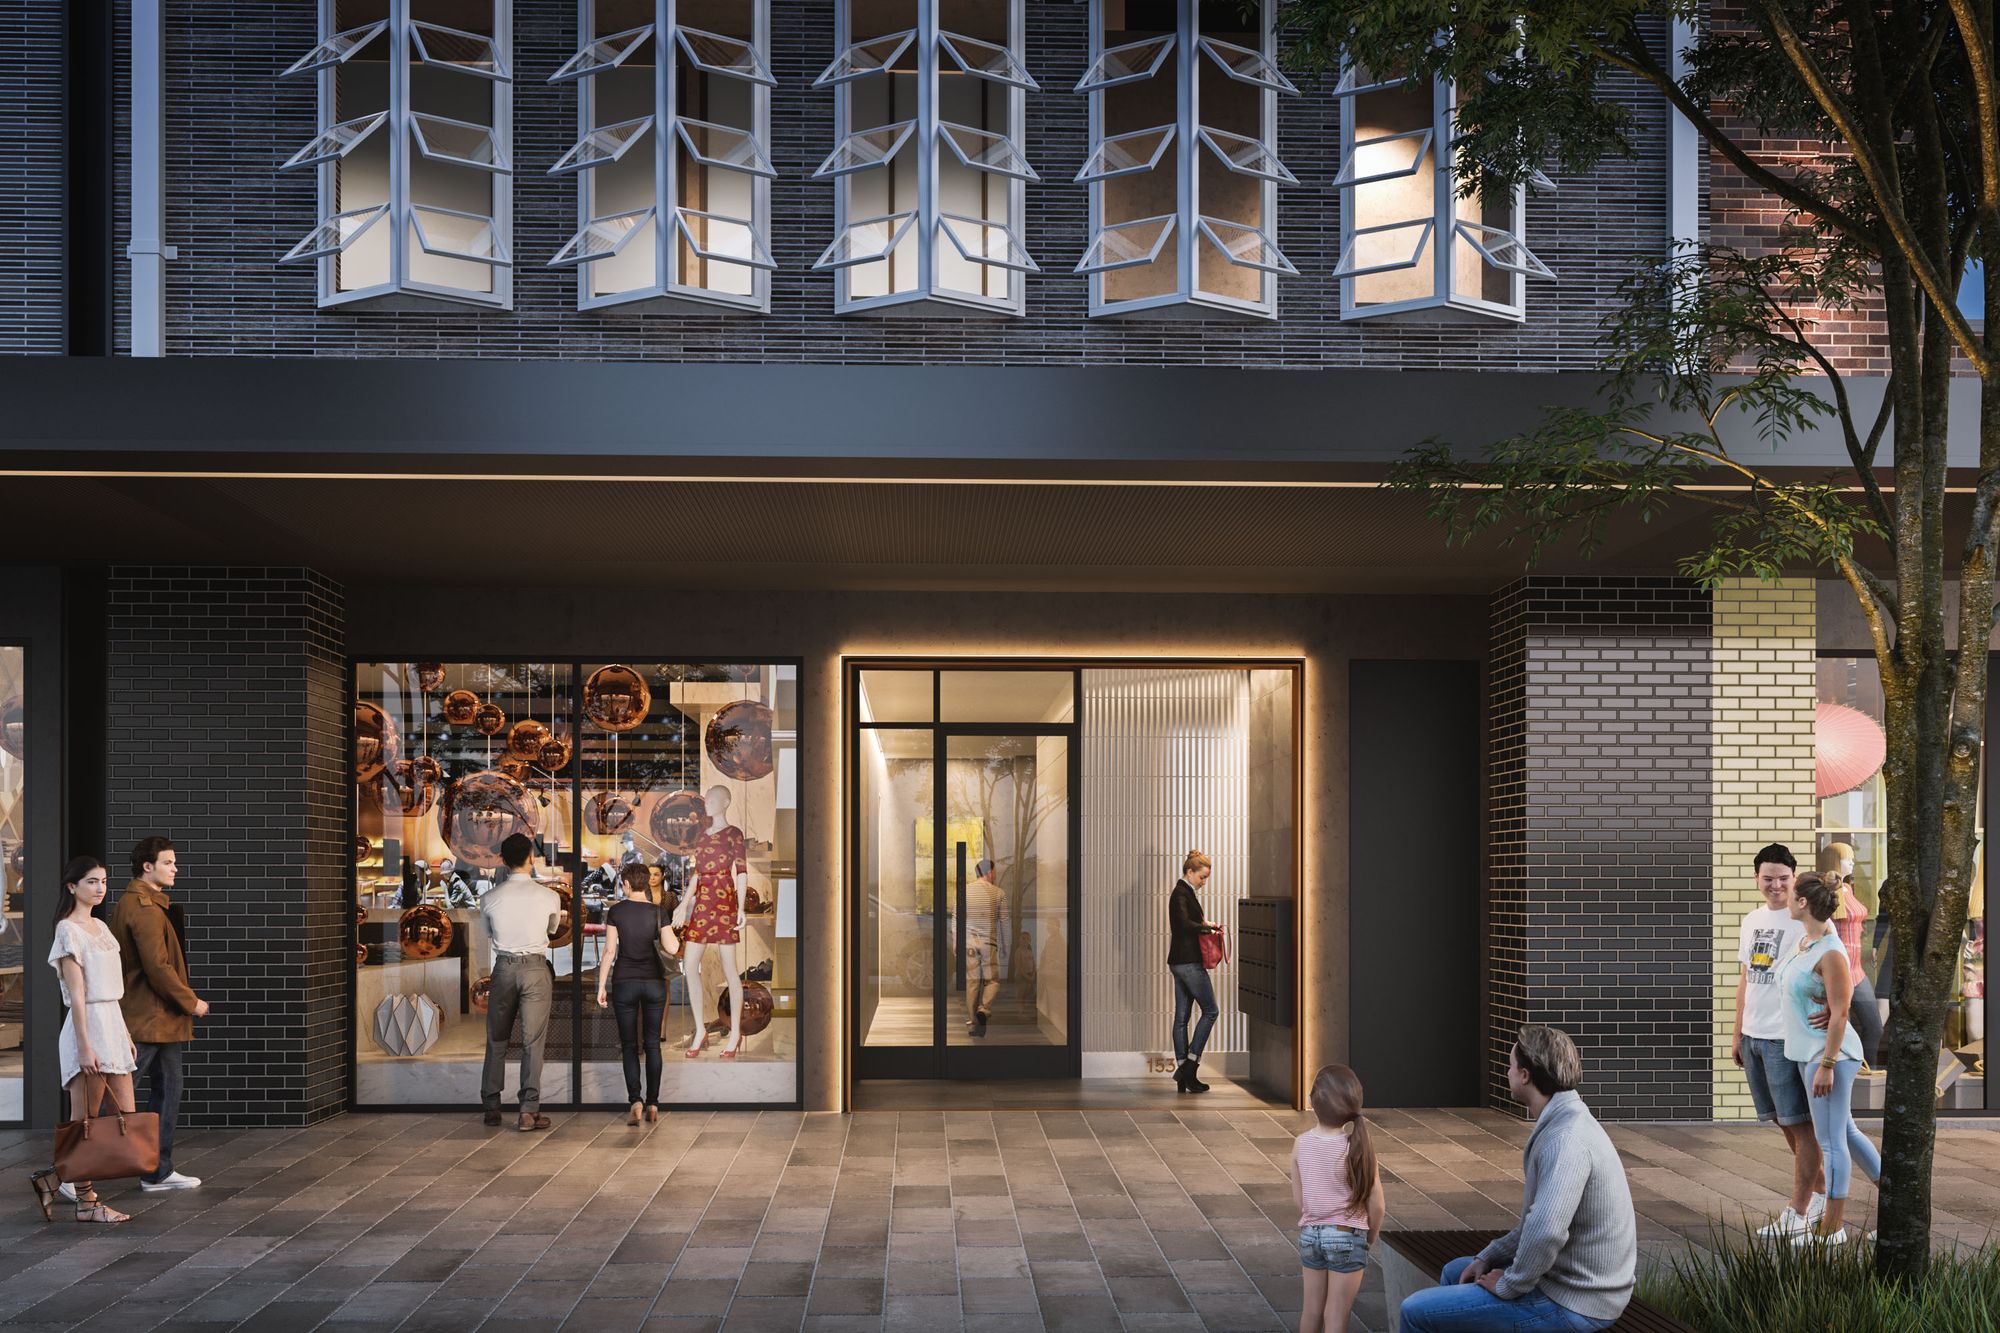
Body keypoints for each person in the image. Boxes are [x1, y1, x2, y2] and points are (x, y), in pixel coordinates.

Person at [1399, 1026, 1636, 1333]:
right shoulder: (1564, 1120)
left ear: (1525, 1075)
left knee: (1415, 1312)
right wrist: (1489, 1257)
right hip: (1566, 1283)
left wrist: (1509, 1285)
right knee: (1456, 1272)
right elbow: (1534, 1225)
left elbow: (1546, 1231)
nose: (1506, 1071)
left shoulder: (1566, 1140)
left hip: (1578, 1302)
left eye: (1510, 1065)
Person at [30, 857, 139, 1224]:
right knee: (86, 1121)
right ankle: (86, 1202)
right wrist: (85, 1046)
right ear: (72, 887)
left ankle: (55, 1178)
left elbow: (113, 991)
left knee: (124, 1114)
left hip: (112, 1023)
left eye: (104, 881)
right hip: (87, 1028)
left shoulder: (101, 927)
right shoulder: (68, 930)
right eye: (91, 882)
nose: (99, 888)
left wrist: (123, 1031)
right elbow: (77, 997)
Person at [1777, 872, 1882, 1246]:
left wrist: (1827, 1064)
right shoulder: (1807, 942)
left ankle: (1832, 1229)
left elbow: (1840, 1013)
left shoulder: (1831, 951)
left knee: (1831, 1140)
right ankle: (1895, 1208)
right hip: (1811, 1051)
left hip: (1829, 1056)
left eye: (1790, 894)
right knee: (1847, 1134)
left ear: (1803, 902)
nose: (1785, 900)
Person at [1731, 843, 1825, 1238]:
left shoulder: (1806, 918)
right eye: (1768, 878)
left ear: (1794, 878)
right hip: (1754, 1036)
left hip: (1787, 1038)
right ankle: (1820, 1195)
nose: (1775, 885)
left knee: (1800, 1126)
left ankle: (1800, 1211)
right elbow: (1746, 978)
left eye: (1783, 879)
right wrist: (1737, 1033)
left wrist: (1837, 1010)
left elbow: (1838, 965)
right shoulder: (1752, 919)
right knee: (1783, 1124)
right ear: (1757, 878)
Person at [108, 835, 206, 1192]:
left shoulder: (142, 903)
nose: (174, 868)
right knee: (121, 1097)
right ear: (147, 867)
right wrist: (190, 1001)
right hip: (150, 1017)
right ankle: (74, 1171)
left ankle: (158, 1171)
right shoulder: (145, 909)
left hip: (158, 1019)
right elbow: (158, 968)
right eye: (168, 862)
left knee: (164, 1092)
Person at [1292, 1064, 1385, 1333]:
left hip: (1310, 1234)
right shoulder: (1357, 1147)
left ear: (1311, 1101)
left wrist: (1315, 1221)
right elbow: (1377, 1204)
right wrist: (1369, 1237)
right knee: (1335, 1315)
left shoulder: (1301, 1143)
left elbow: (1301, 1199)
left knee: (1311, 1311)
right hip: (1347, 1234)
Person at [479, 833, 562, 1132]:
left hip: (504, 969)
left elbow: (489, 932)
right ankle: (528, 1111)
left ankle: (491, 1106)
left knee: (496, 1039)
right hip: (536, 969)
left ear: (502, 860)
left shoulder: (489, 898)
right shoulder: (549, 896)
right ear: (530, 858)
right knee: (532, 1042)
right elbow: (552, 930)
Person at [596, 862, 676, 1125]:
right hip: (653, 983)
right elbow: (672, 948)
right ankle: (653, 1103)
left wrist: (601, 986)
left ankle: (636, 1100)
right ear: (646, 882)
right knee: (652, 1043)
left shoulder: (616, 911)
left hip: (625, 983)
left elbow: (609, 951)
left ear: (627, 884)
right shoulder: (658, 912)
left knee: (629, 1044)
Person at [1817, 842, 1882, 1066]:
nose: (1853, 862)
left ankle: (1867, 1070)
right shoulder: (1826, 893)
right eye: (1847, 859)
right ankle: (1846, 1072)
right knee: (1839, 1027)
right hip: (1838, 969)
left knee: (1874, 1027)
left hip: (1857, 970)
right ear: (1834, 862)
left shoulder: (1848, 890)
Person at [1167, 850, 1223, 1094]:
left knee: (1182, 1018)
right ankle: (1189, 1066)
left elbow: (1186, 922)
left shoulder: (1184, 892)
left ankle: (1184, 1075)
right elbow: (1182, 924)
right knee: (1211, 1011)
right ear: (1189, 872)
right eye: (1202, 877)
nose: (1204, 882)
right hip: (1189, 962)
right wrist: (1204, 928)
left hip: (1178, 962)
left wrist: (1204, 924)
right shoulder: (1181, 893)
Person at [964, 858, 1005, 1037]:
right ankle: (984, 1009)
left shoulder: (965, 891)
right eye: (994, 871)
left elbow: (957, 919)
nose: (995, 875)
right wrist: (1006, 945)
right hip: (989, 944)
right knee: (992, 981)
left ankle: (973, 1023)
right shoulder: (998, 893)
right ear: (989, 872)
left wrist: (958, 943)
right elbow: (1004, 922)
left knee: (972, 982)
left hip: (970, 944)